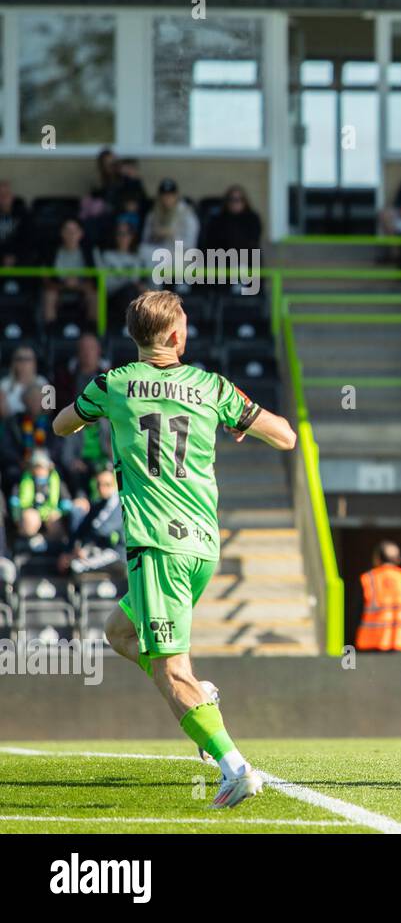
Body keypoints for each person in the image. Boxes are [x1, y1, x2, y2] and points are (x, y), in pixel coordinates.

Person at [52, 290, 298, 809]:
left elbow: (61, 424)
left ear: (136, 337)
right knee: (119, 632)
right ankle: (199, 697)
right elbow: (286, 437)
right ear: (176, 336)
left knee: (170, 669)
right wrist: (235, 422)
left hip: (156, 546)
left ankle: (235, 768)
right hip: (204, 547)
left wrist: (99, 418)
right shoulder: (211, 387)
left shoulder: (112, 385)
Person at [356, 541, 401, 652]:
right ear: (398, 559)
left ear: (377, 558)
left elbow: (356, 612)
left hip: (371, 646)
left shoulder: (368, 579)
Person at [62, 465, 124, 574]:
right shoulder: (98, 504)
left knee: (76, 566)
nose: (102, 488)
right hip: (101, 551)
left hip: (118, 554)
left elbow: (100, 529)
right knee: (70, 563)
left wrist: (85, 549)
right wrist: (69, 551)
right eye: (99, 485)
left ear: (115, 485)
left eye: (107, 485)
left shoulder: (118, 503)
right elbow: (82, 529)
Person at [10, 449, 67, 552]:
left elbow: (66, 502)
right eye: (37, 467)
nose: (40, 470)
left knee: (55, 519)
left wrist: (62, 510)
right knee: (30, 518)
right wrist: (17, 517)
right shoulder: (24, 480)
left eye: (43, 467)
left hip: (49, 513)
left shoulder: (56, 480)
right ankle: (30, 542)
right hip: (31, 514)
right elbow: (15, 502)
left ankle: (48, 543)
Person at [45, 217, 97, 326]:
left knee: (94, 295)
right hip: (58, 289)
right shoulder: (51, 252)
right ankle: (50, 333)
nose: (71, 235)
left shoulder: (89, 252)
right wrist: (64, 285)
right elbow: (45, 279)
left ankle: (92, 331)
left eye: (74, 231)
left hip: (82, 289)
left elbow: (96, 279)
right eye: (67, 231)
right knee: (49, 295)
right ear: (61, 233)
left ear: (81, 233)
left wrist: (78, 284)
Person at [140, 179, 201, 257]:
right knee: (143, 250)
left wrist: (172, 235)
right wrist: (156, 236)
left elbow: (190, 245)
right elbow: (145, 240)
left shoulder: (187, 214)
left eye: (170, 195)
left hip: (180, 255)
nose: (166, 199)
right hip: (159, 251)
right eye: (164, 195)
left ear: (176, 196)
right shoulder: (153, 214)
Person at [201, 185, 262, 252]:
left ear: (245, 202)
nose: (235, 203)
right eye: (231, 199)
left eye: (239, 199)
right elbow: (211, 244)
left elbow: (253, 241)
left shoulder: (252, 219)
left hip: (247, 257)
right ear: (226, 202)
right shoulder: (218, 220)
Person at [0, 345, 46, 418]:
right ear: (14, 362)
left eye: (28, 359)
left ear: (34, 362)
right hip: (11, 425)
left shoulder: (42, 382)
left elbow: (49, 412)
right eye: (20, 359)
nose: (24, 363)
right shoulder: (4, 384)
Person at [0, 180, 31, 266]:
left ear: (12, 196)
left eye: (6, 194)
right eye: (1, 195)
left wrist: (14, 256)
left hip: (19, 257)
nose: (4, 197)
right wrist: (3, 257)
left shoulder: (23, 215)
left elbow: (28, 240)